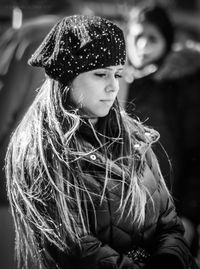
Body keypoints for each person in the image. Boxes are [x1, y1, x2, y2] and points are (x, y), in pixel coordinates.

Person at [5, 14, 198, 269]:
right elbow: (75, 247)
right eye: (100, 74)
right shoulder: (42, 150)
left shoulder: (134, 135)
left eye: (117, 75)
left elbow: (169, 224)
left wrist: (169, 259)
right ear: (67, 76)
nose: (113, 88)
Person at [122, 4, 200, 261]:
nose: (143, 46)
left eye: (152, 38)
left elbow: (196, 153)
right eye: (137, 37)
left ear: (166, 40)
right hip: (126, 216)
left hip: (172, 215)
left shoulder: (182, 84)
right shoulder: (117, 83)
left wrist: (188, 216)